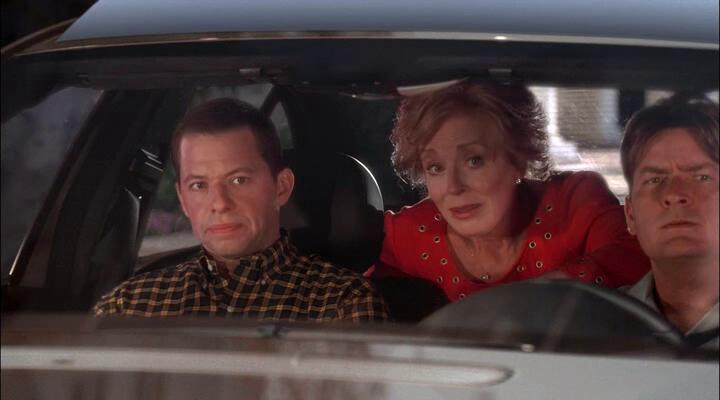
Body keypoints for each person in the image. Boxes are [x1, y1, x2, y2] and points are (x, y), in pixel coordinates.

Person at [94, 98, 388, 322]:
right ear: (183, 199)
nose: (220, 203)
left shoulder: (340, 303)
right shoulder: (128, 305)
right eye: (199, 185)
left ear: (281, 187)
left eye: (238, 180)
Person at [365, 81, 650, 302]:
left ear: (518, 160)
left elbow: (645, 251)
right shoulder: (409, 233)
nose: (453, 187)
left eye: (474, 161)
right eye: (435, 167)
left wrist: (550, 288)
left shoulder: (574, 202)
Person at [621, 94, 718, 350]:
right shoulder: (588, 323)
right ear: (631, 215)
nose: (674, 194)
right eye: (654, 180)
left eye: (701, 177)